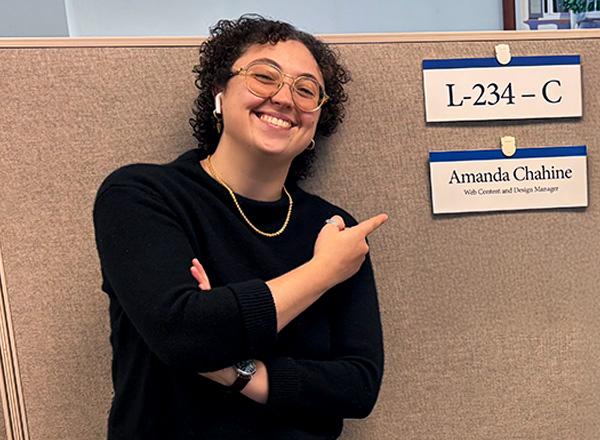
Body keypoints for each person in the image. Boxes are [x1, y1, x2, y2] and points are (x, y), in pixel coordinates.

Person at [93, 14, 388, 440]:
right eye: (264, 77)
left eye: (306, 90)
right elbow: (183, 334)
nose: (285, 98)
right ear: (219, 92)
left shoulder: (334, 230)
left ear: (317, 122)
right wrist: (322, 273)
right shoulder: (142, 196)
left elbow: (358, 387)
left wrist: (237, 371)